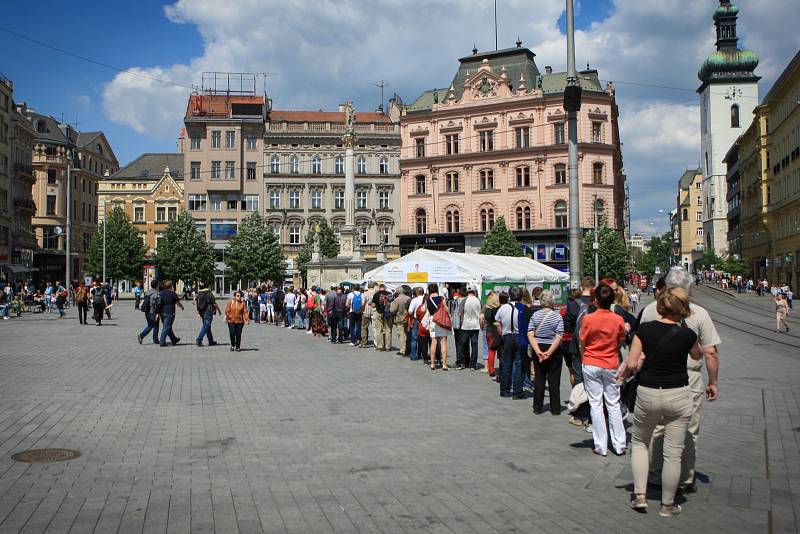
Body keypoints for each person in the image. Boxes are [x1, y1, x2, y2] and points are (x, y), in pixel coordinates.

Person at [618, 287, 704, 517]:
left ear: (660, 305)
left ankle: (640, 496)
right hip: (678, 393)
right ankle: (667, 505)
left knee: (640, 443)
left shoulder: (644, 330)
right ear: (683, 309)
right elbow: (698, 355)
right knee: (674, 453)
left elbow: (633, 363)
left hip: (648, 392)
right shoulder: (687, 334)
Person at [639, 268, 720, 495]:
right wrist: (713, 381)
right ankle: (685, 478)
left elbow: (640, 347)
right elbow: (711, 352)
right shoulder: (699, 313)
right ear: (689, 289)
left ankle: (655, 474)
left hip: (654, 376)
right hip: (688, 378)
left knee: (656, 428)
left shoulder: (648, 311)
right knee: (687, 429)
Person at [579, 283, 626, 457]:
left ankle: (600, 445)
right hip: (611, 363)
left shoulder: (588, 318)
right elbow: (621, 340)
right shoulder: (618, 319)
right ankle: (619, 443)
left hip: (591, 362)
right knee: (613, 403)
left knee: (596, 404)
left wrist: (584, 356)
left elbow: (582, 341)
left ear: (596, 300)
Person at [528, 290, 565, 415]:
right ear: (552, 302)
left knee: (539, 378)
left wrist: (538, 351)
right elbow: (559, 336)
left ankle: (537, 407)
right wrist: (549, 352)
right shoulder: (557, 316)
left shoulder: (535, 315)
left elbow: (530, 333)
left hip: (538, 346)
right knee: (554, 379)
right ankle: (555, 408)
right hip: (554, 349)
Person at [426, 283, 450, 370]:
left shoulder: (428, 300)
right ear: (437, 290)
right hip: (441, 319)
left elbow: (426, 310)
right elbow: (446, 309)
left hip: (432, 320)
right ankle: (444, 364)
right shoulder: (441, 298)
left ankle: (432, 363)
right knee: (443, 341)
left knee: (434, 341)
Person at [460, 287, 482, 370]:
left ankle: (465, 361)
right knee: (474, 344)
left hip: (466, 325)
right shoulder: (478, 300)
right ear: (474, 292)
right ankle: (473, 364)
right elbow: (481, 311)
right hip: (475, 325)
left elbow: (459, 312)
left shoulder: (465, 300)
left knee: (463, 344)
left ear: (467, 292)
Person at [157, 280, 184, 347]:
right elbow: (178, 303)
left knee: (168, 327)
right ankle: (162, 342)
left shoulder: (161, 293)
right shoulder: (173, 294)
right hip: (170, 313)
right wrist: (182, 307)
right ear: (171, 286)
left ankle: (174, 339)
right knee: (166, 327)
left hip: (162, 313)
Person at [481, 291, 501, 376]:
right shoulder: (498, 309)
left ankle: (491, 370)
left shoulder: (487, 309)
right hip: (496, 331)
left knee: (491, 351)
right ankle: (501, 368)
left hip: (488, 331)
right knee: (500, 351)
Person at [137, 280, 161, 344]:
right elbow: (156, 304)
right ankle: (142, 336)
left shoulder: (148, 292)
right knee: (154, 325)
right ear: (157, 285)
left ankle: (154, 339)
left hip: (147, 311)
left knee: (151, 325)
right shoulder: (155, 294)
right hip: (152, 312)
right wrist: (157, 313)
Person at [390, 286, 411, 356]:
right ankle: (408, 348)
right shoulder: (409, 298)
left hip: (399, 319)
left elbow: (392, 310)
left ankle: (403, 350)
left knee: (401, 335)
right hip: (407, 318)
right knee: (406, 334)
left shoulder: (397, 300)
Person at [372, 284, 392, 351]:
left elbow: (373, 305)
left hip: (379, 312)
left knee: (379, 330)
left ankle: (380, 346)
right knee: (388, 330)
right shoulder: (389, 294)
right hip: (388, 313)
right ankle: (388, 347)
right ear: (385, 288)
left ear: (379, 288)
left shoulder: (376, 294)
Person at [408, 287, 425, 361]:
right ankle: (422, 354)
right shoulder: (426, 299)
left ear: (417, 293)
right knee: (424, 338)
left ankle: (414, 355)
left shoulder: (414, 300)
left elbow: (410, 312)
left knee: (414, 338)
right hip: (425, 320)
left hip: (416, 320)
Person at [360, 283, 376, 348]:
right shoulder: (376, 293)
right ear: (373, 286)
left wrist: (362, 309)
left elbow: (363, 303)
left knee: (364, 327)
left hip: (366, 312)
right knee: (375, 328)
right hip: (374, 312)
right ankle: (376, 343)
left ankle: (364, 342)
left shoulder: (365, 293)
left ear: (368, 286)